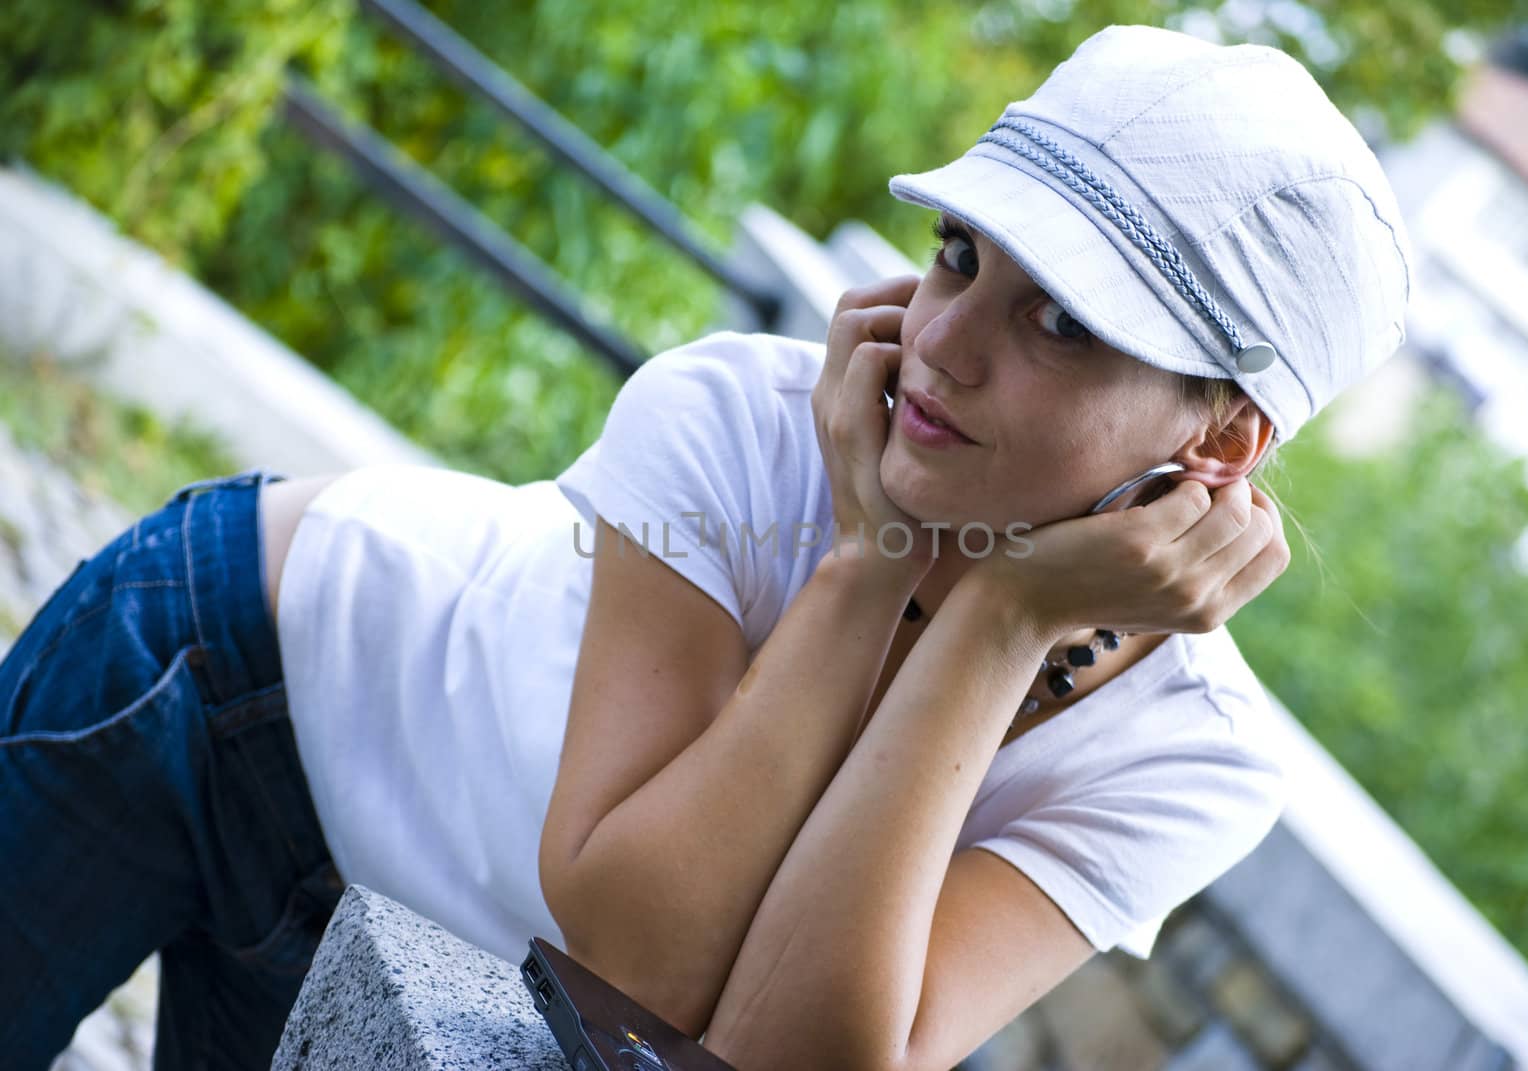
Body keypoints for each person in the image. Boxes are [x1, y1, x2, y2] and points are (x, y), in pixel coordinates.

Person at [0, 22, 1411, 1071]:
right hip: (228, 678)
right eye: (965, 254)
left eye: (1063, 325)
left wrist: (995, 628)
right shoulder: (740, 413)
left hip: (454, 965)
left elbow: (762, 1050)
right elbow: (630, 939)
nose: (943, 343)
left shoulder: (1188, 755)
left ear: (1223, 444)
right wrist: (872, 554)